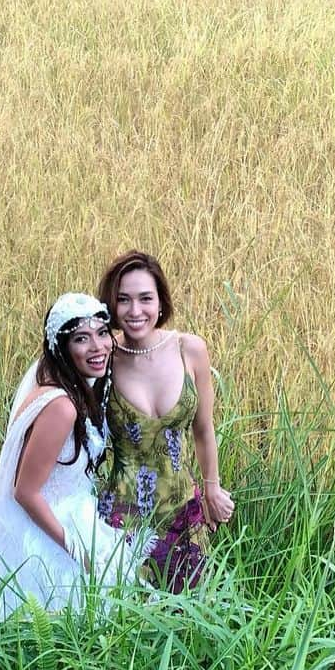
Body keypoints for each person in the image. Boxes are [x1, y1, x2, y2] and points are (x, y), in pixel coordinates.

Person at [0, 292, 142, 619]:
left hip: (72, 512)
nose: (98, 347)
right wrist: (74, 546)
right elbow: (25, 491)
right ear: (62, 348)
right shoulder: (61, 406)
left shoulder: (59, 385)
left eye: (102, 333)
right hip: (46, 529)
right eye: (82, 339)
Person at [96, 251, 235, 593]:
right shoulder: (102, 356)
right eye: (123, 300)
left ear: (161, 302)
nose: (135, 310)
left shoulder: (190, 349)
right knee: (129, 622)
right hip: (122, 518)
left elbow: (204, 429)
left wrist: (213, 489)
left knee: (189, 617)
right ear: (111, 306)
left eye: (145, 298)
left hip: (184, 511)